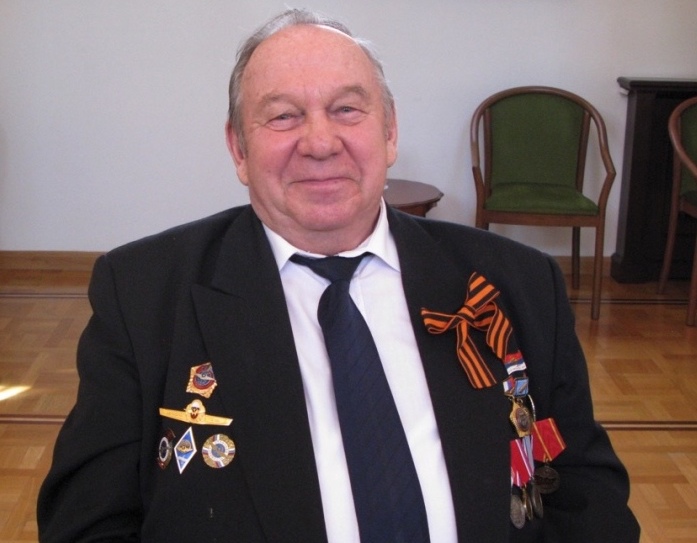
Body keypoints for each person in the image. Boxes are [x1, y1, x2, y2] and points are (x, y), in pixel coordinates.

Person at [37, 8, 640, 542]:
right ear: (239, 149)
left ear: (390, 131)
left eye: (347, 109)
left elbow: (586, 495)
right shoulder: (141, 294)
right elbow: (87, 523)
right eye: (283, 116)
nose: (320, 142)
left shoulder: (519, 282)